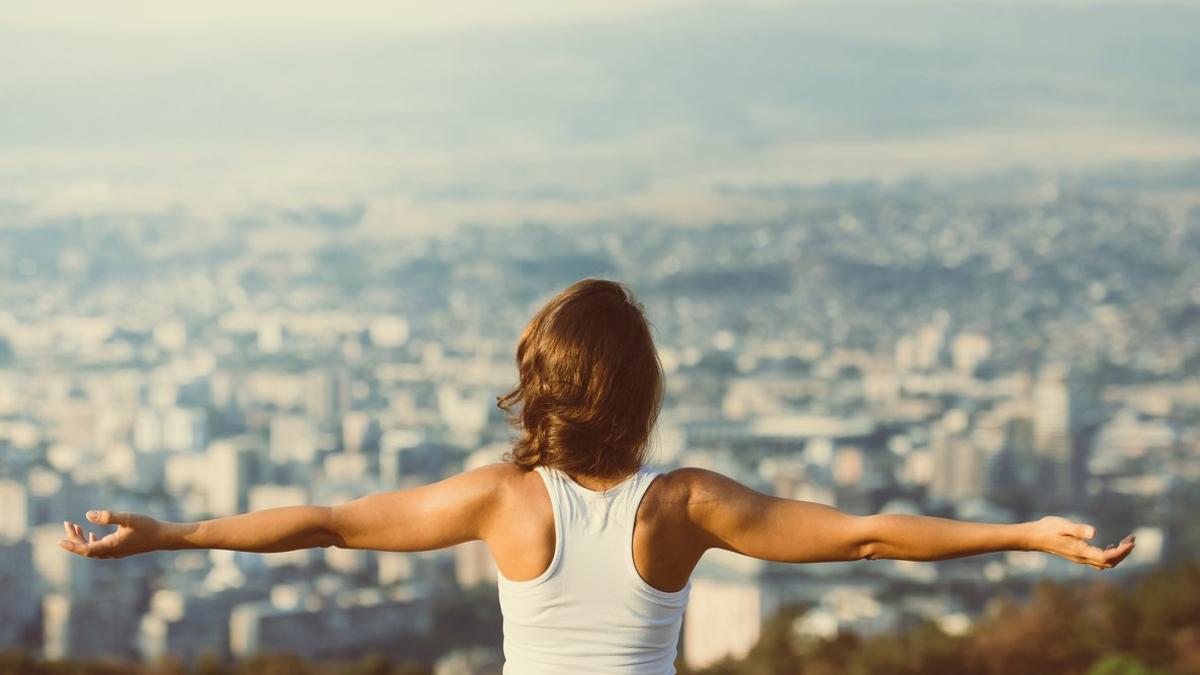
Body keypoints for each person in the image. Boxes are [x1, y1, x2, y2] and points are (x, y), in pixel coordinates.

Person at [59, 278, 1136, 674]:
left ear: (540, 384)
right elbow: (866, 534)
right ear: (641, 388)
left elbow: (331, 523)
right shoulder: (682, 505)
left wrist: (177, 535)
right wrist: (1019, 534)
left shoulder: (500, 498)